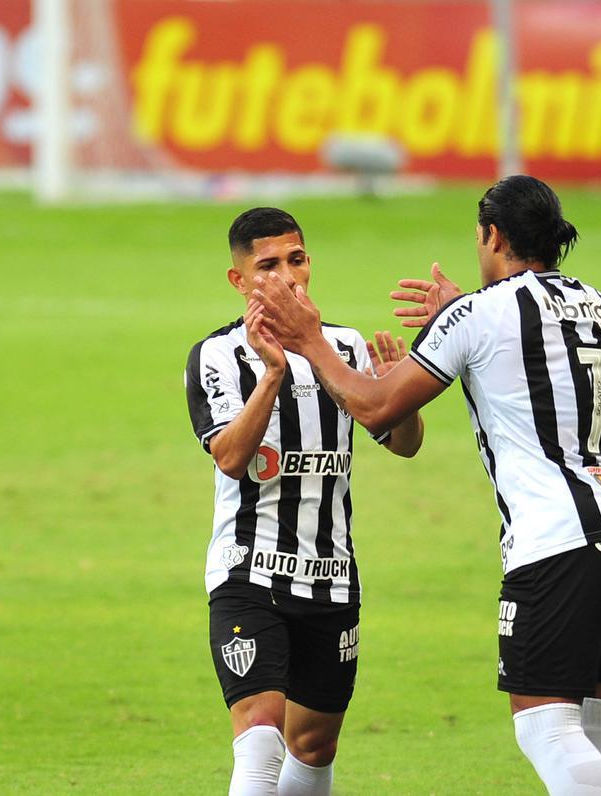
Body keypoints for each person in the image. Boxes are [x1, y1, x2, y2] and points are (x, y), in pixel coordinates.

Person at [253, 175, 601, 795]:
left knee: (546, 728)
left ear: (493, 235)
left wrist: (309, 337)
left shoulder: (479, 313)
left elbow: (376, 406)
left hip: (557, 541)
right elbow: (528, 346)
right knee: (597, 734)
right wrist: (463, 309)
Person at [185, 207, 424, 795]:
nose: (288, 276)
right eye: (268, 265)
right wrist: (271, 376)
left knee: (314, 747)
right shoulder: (216, 357)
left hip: (331, 578)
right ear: (239, 281)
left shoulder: (341, 346)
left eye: (297, 259)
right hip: (249, 572)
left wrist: (402, 400)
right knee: (261, 734)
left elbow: (403, 444)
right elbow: (231, 457)